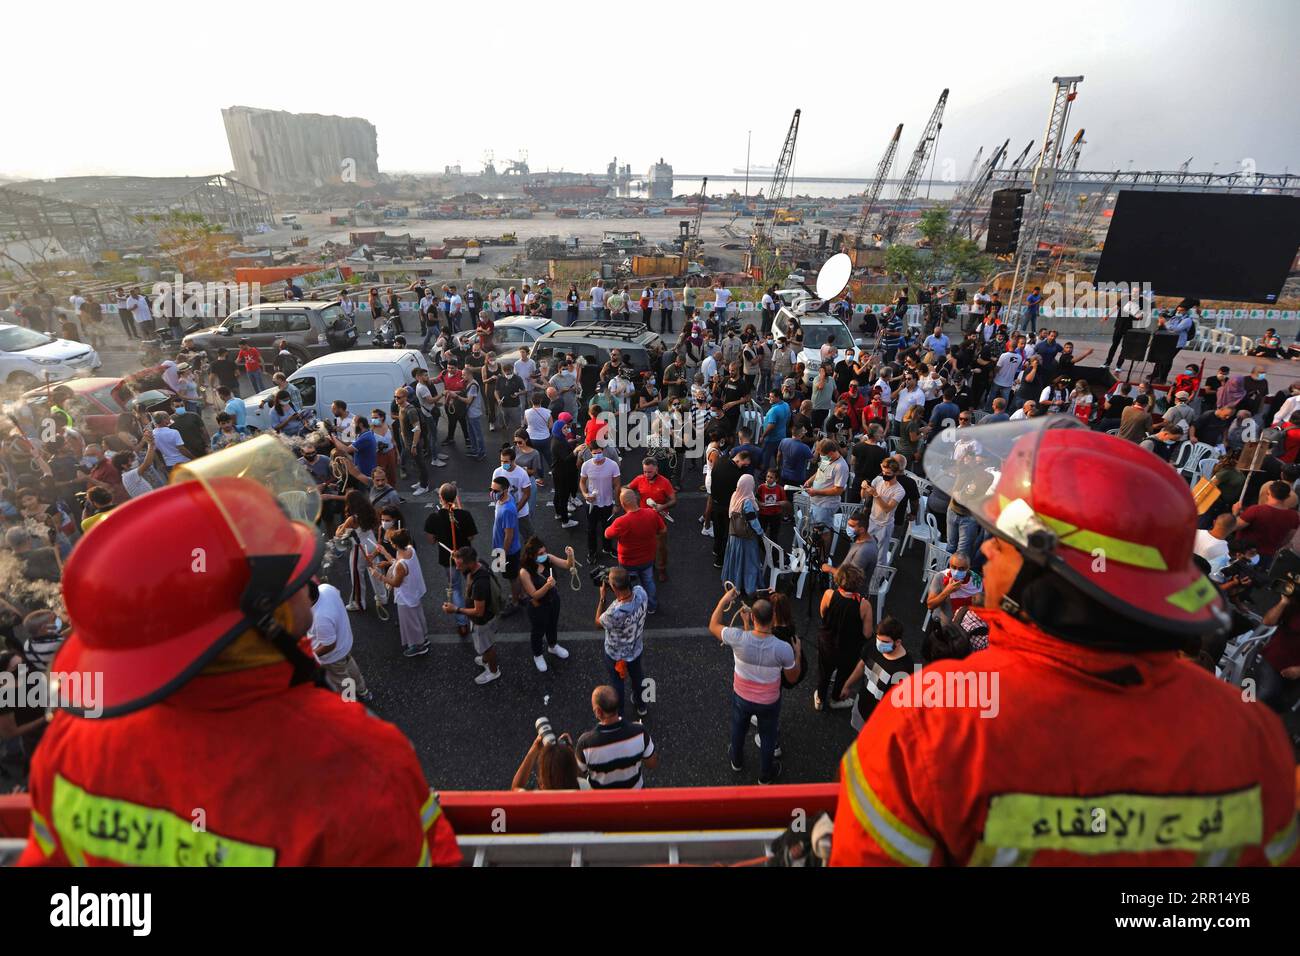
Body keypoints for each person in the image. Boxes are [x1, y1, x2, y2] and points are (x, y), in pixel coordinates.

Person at [832, 420, 1299, 867]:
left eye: (1003, 537)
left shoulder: (932, 720)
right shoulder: (1252, 737)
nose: (988, 550)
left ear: (1051, 573)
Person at [19, 468, 460, 866]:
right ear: (258, 612)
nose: (305, 579)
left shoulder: (70, 743)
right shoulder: (357, 759)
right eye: (287, 570)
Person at [709, 587, 798, 784]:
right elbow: (792, 678)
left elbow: (713, 624)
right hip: (769, 701)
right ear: (773, 617)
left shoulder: (738, 638)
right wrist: (797, 654)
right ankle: (765, 775)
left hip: (742, 697)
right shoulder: (783, 648)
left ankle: (736, 760)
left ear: (753, 617)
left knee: (739, 729)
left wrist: (724, 599)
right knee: (767, 737)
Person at [814, 564, 874, 712]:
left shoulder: (829, 594)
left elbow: (823, 613)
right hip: (849, 648)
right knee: (843, 675)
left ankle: (820, 699)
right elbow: (867, 633)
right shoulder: (864, 605)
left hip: (827, 642)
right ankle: (836, 699)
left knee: (824, 672)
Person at [575, 685, 659, 789]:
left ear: (598, 712)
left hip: (601, 800)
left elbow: (578, 776)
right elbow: (652, 763)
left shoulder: (585, 743)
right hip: (635, 796)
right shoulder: (639, 732)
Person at [442, 545, 502, 685]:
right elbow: (464, 568)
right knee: (485, 645)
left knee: (487, 647)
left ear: (469, 563)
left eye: (459, 565)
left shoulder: (479, 584)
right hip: (483, 618)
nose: (457, 568)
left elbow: (478, 611)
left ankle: (493, 671)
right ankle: (485, 660)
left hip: (482, 621)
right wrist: (457, 556)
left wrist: (456, 609)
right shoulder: (478, 563)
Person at [424, 483, 478, 638]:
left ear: (440, 498)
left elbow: (431, 540)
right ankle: (475, 614)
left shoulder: (434, 517)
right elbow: (471, 537)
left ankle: (462, 624)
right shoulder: (465, 515)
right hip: (467, 557)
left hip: (448, 559)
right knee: (471, 586)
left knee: (455, 589)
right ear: (455, 497)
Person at [595, 566, 649, 716]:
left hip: (615, 655)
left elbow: (598, 623)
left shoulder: (614, 612)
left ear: (613, 587)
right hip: (636, 649)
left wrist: (602, 598)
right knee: (638, 677)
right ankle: (642, 705)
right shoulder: (641, 593)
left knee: (617, 684)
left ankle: (619, 714)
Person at [308, 580, 372, 702]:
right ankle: (363, 691)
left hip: (333, 656)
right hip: (344, 644)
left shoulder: (320, 617)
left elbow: (329, 645)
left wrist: (312, 655)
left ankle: (350, 703)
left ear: (308, 599)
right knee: (350, 665)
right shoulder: (326, 588)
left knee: (341, 680)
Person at [605, 487, 665, 613]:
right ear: (636, 500)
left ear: (622, 504)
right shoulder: (651, 514)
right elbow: (663, 530)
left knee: (629, 585)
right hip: (648, 558)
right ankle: (652, 606)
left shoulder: (621, 522)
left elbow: (607, 534)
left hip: (628, 562)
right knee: (648, 582)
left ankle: (633, 609)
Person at [519, 536, 575, 671]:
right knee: (538, 630)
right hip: (538, 606)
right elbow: (534, 595)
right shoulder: (524, 572)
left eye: (545, 551)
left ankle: (553, 645)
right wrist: (547, 586)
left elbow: (567, 565)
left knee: (552, 624)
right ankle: (537, 654)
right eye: (540, 554)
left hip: (553, 600)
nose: (544, 555)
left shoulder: (548, 558)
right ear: (531, 556)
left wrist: (571, 555)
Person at [1229, 480, 1300, 561]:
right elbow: (1287, 539)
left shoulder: (1256, 510)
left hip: (1243, 553)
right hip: (1267, 557)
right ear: (1287, 496)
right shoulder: (1294, 516)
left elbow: (1232, 527)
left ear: (1268, 493)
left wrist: (1234, 513)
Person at [722, 473, 766, 596]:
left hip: (734, 535)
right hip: (747, 538)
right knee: (749, 562)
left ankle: (735, 583)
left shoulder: (735, 495)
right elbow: (753, 521)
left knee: (735, 561)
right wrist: (761, 532)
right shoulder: (747, 501)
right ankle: (749, 586)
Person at [580, 442, 622, 564]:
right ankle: (592, 552)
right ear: (590, 452)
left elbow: (617, 485)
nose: (597, 455)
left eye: (599, 452)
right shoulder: (586, 465)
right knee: (591, 529)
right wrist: (585, 495)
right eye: (595, 453)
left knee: (607, 527)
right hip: (592, 504)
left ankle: (607, 548)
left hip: (608, 503)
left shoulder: (612, 465)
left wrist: (617, 504)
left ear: (603, 450)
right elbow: (582, 482)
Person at [861, 456, 905, 550]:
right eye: (884, 472)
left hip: (885, 525)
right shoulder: (878, 480)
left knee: (881, 555)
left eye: (888, 473)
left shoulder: (899, 490)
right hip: (872, 520)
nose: (885, 474)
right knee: (866, 549)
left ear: (896, 473)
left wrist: (875, 494)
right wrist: (864, 487)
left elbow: (887, 509)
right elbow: (864, 496)